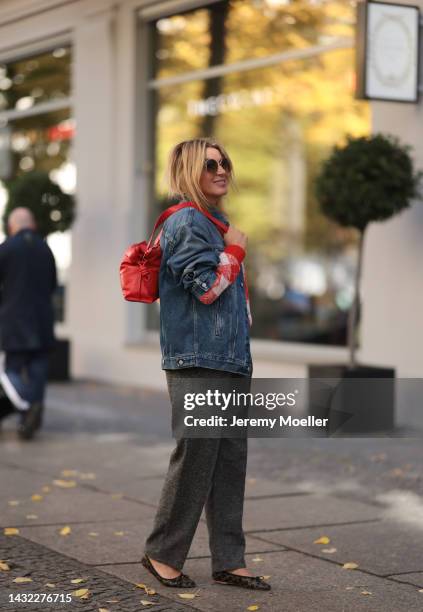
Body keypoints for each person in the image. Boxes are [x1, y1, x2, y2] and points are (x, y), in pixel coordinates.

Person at [141, 138, 271, 591]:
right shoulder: (189, 222)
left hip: (230, 358)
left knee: (228, 461)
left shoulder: (215, 222)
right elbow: (206, 289)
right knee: (197, 457)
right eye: (209, 164)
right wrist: (234, 252)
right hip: (200, 359)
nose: (221, 170)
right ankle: (163, 552)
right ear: (188, 173)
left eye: (224, 162)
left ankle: (229, 559)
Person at [0, 207, 57, 440]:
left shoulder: (6, 249)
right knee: (38, 372)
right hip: (42, 321)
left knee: (10, 371)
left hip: (14, 322)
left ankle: (26, 405)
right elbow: (53, 284)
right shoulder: (46, 249)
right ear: (32, 224)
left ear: (12, 226)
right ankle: (30, 420)